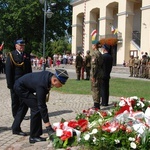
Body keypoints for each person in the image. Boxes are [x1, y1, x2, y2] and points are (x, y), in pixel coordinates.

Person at [12, 69, 69, 143]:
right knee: (36, 108)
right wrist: (48, 126)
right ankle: (34, 136)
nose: (61, 86)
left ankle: (15, 128)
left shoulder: (49, 77)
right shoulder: (42, 85)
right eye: (61, 84)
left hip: (23, 85)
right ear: (55, 80)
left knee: (24, 107)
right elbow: (41, 105)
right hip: (20, 88)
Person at [5, 39, 32, 119]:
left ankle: (21, 115)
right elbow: (8, 70)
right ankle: (15, 115)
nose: (22, 47)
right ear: (16, 46)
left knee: (23, 99)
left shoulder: (26, 55)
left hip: (25, 82)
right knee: (15, 100)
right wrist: (10, 84)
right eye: (20, 45)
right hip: (15, 81)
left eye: (23, 45)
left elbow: (29, 69)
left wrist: (30, 81)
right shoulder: (11, 55)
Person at [90, 40, 103, 109]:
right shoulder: (100, 53)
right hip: (100, 73)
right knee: (98, 88)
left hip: (96, 74)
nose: (91, 46)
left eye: (92, 45)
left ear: (95, 46)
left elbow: (94, 66)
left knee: (95, 89)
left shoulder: (94, 54)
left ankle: (96, 105)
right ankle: (97, 103)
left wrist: (93, 76)